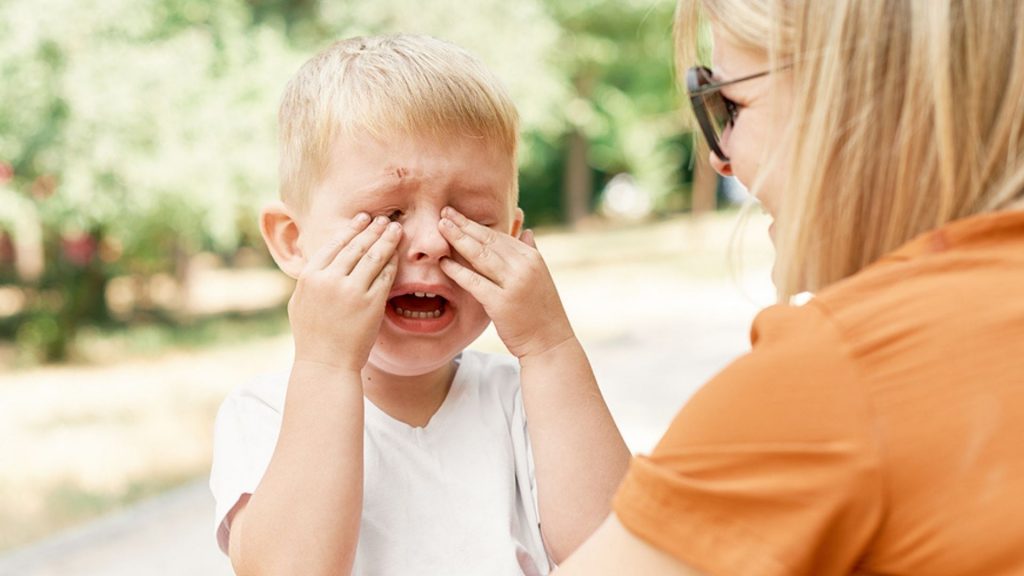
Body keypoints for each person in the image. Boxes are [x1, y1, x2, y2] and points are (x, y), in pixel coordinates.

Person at [552, 0, 1024, 574]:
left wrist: (546, 353)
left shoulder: (838, 378)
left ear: (859, 91)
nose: (718, 157)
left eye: (728, 103)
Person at [208, 34, 630, 576]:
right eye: (386, 216)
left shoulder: (526, 401)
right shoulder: (262, 414)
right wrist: (327, 362)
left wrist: (547, 346)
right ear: (294, 240)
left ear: (513, 236)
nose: (431, 241)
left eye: (473, 219)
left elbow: (618, 554)